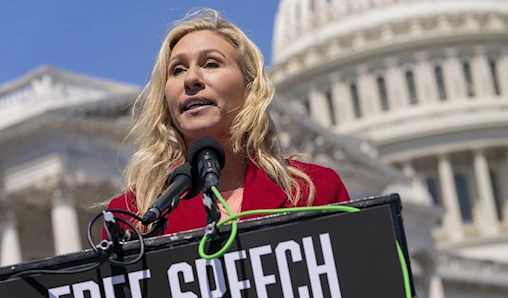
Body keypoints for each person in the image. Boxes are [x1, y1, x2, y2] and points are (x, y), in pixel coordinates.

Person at [105, 8, 350, 236]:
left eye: (211, 64)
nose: (191, 78)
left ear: (250, 87)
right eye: (177, 70)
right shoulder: (132, 219)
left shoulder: (314, 191)